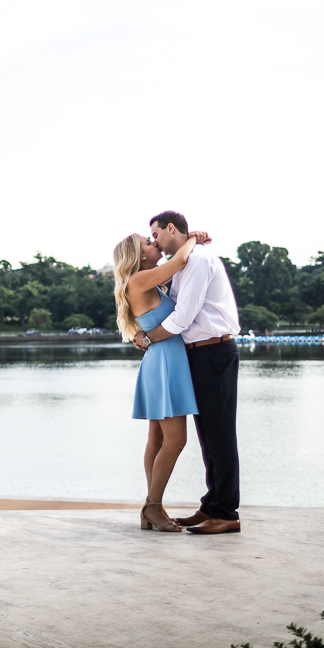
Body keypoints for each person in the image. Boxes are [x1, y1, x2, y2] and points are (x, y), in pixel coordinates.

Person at [135, 210, 243, 535]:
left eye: (155, 235)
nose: (154, 241)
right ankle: (211, 506)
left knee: (220, 434)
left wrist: (148, 338)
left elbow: (183, 317)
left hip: (214, 351)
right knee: (208, 436)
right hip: (197, 355)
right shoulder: (184, 262)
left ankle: (226, 513)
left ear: (171, 229)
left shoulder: (195, 261)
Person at [112, 228, 204, 531]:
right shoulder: (138, 280)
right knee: (176, 440)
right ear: (139, 256)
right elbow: (178, 262)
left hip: (162, 361)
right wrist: (194, 238)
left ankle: (153, 506)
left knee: (158, 439)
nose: (154, 244)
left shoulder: (146, 281)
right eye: (148, 243)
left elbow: (177, 273)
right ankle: (153, 505)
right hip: (164, 363)